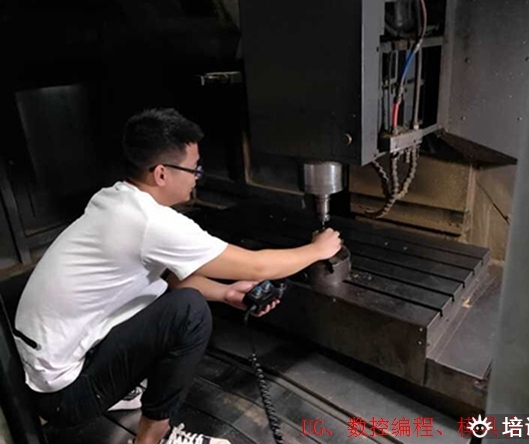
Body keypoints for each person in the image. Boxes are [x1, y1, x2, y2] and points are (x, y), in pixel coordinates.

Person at [14, 108, 342, 444]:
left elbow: (163, 279)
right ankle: (154, 438)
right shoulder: (151, 223)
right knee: (190, 313)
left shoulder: (115, 199)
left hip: (36, 375)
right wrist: (318, 249)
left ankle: (119, 391)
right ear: (161, 174)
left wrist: (226, 293)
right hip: (64, 397)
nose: (198, 176)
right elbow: (258, 267)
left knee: (175, 300)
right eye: (194, 168)